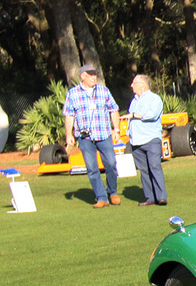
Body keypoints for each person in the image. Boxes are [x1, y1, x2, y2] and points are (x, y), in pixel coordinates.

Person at [63, 63, 122, 207]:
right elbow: (69, 115)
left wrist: (117, 129)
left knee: (110, 164)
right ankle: (101, 197)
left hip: (103, 134)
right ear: (83, 76)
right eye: (90, 75)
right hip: (85, 137)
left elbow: (113, 110)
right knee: (91, 168)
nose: (94, 78)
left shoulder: (103, 90)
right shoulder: (73, 93)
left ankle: (112, 191)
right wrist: (69, 134)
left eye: (95, 75)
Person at [126, 74, 167, 206]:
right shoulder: (134, 101)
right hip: (136, 141)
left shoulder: (154, 99)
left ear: (143, 85)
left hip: (151, 139)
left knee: (155, 166)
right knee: (144, 170)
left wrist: (134, 115)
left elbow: (152, 114)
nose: (131, 85)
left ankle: (161, 197)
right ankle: (150, 198)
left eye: (134, 83)